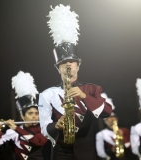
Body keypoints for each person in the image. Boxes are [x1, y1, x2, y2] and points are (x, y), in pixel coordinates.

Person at [38, 4, 112, 160]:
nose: (68, 65)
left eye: (72, 61)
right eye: (64, 63)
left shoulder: (91, 89)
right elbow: (44, 129)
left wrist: (84, 96)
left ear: (79, 64)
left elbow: (107, 112)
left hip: (86, 153)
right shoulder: (47, 94)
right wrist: (55, 126)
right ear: (58, 68)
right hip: (60, 152)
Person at [0, 71, 48, 160]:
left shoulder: (43, 130)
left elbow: (38, 142)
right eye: (30, 113)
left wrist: (16, 128)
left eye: (36, 113)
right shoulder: (12, 133)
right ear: (22, 116)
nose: (34, 116)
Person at [96, 93, 131, 160]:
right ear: (105, 121)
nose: (112, 119)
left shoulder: (124, 130)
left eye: (114, 117)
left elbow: (132, 148)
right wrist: (111, 150)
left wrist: (123, 138)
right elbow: (100, 153)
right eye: (109, 117)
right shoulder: (101, 134)